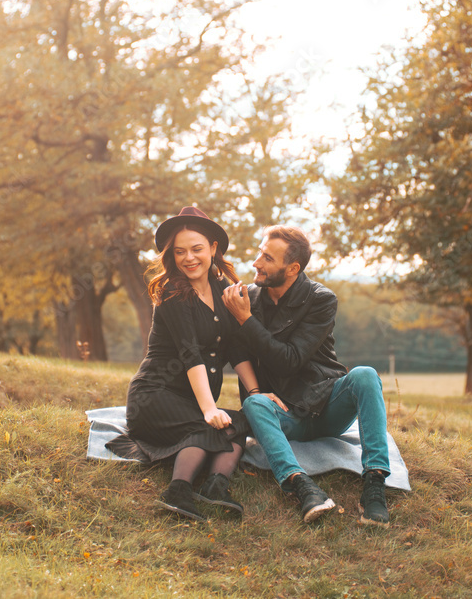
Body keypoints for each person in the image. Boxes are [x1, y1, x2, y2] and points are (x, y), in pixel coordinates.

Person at [221, 225, 392, 527]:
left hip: (327, 407)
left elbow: (290, 361)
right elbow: (239, 354)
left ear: (292, 268)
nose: (256, 263)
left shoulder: (320, 299)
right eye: (259, 254)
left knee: (365, 375)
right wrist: (257, 391)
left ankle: (374, 484)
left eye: (267, 258)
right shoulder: (247, 299)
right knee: (253, 403)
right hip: (285, 414)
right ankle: (302, 487)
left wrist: (246, 320)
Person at [106, 207, 266, 523]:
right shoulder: (171, 292)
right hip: (155, 396)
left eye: (196, 249)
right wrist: (209, 409)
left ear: (213, 249)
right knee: (205, 426)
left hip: (192, 399)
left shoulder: (223, 290)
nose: (188, 258)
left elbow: (236, 347)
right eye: (179, 252)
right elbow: (190, 353)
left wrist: (257, 392)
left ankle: (216, 487)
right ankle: (178, 491)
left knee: (242, 422)